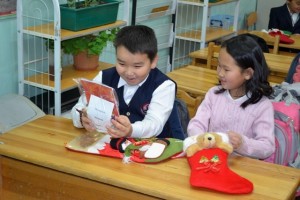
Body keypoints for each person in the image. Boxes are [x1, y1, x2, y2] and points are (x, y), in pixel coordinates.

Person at [71, 25, 185, 139]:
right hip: (114, 147)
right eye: (122, 64)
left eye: (137, 66)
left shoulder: (163, 86)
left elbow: (154, 124)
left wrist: (131, 130)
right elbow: (80, 106)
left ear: (153, 61)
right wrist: (81, 118)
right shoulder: (104, 78)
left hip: (158, 148)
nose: (129, 72)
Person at [187, 34, 275, 160]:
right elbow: (196, 124)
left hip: (242, 166)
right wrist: (201, 138)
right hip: (211, 160)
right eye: (219, 66)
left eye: (226, 69)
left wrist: (242, 144)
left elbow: (267, 147)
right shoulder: (213, 94)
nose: (220, 73)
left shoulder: (262, 106)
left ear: (247, 73)